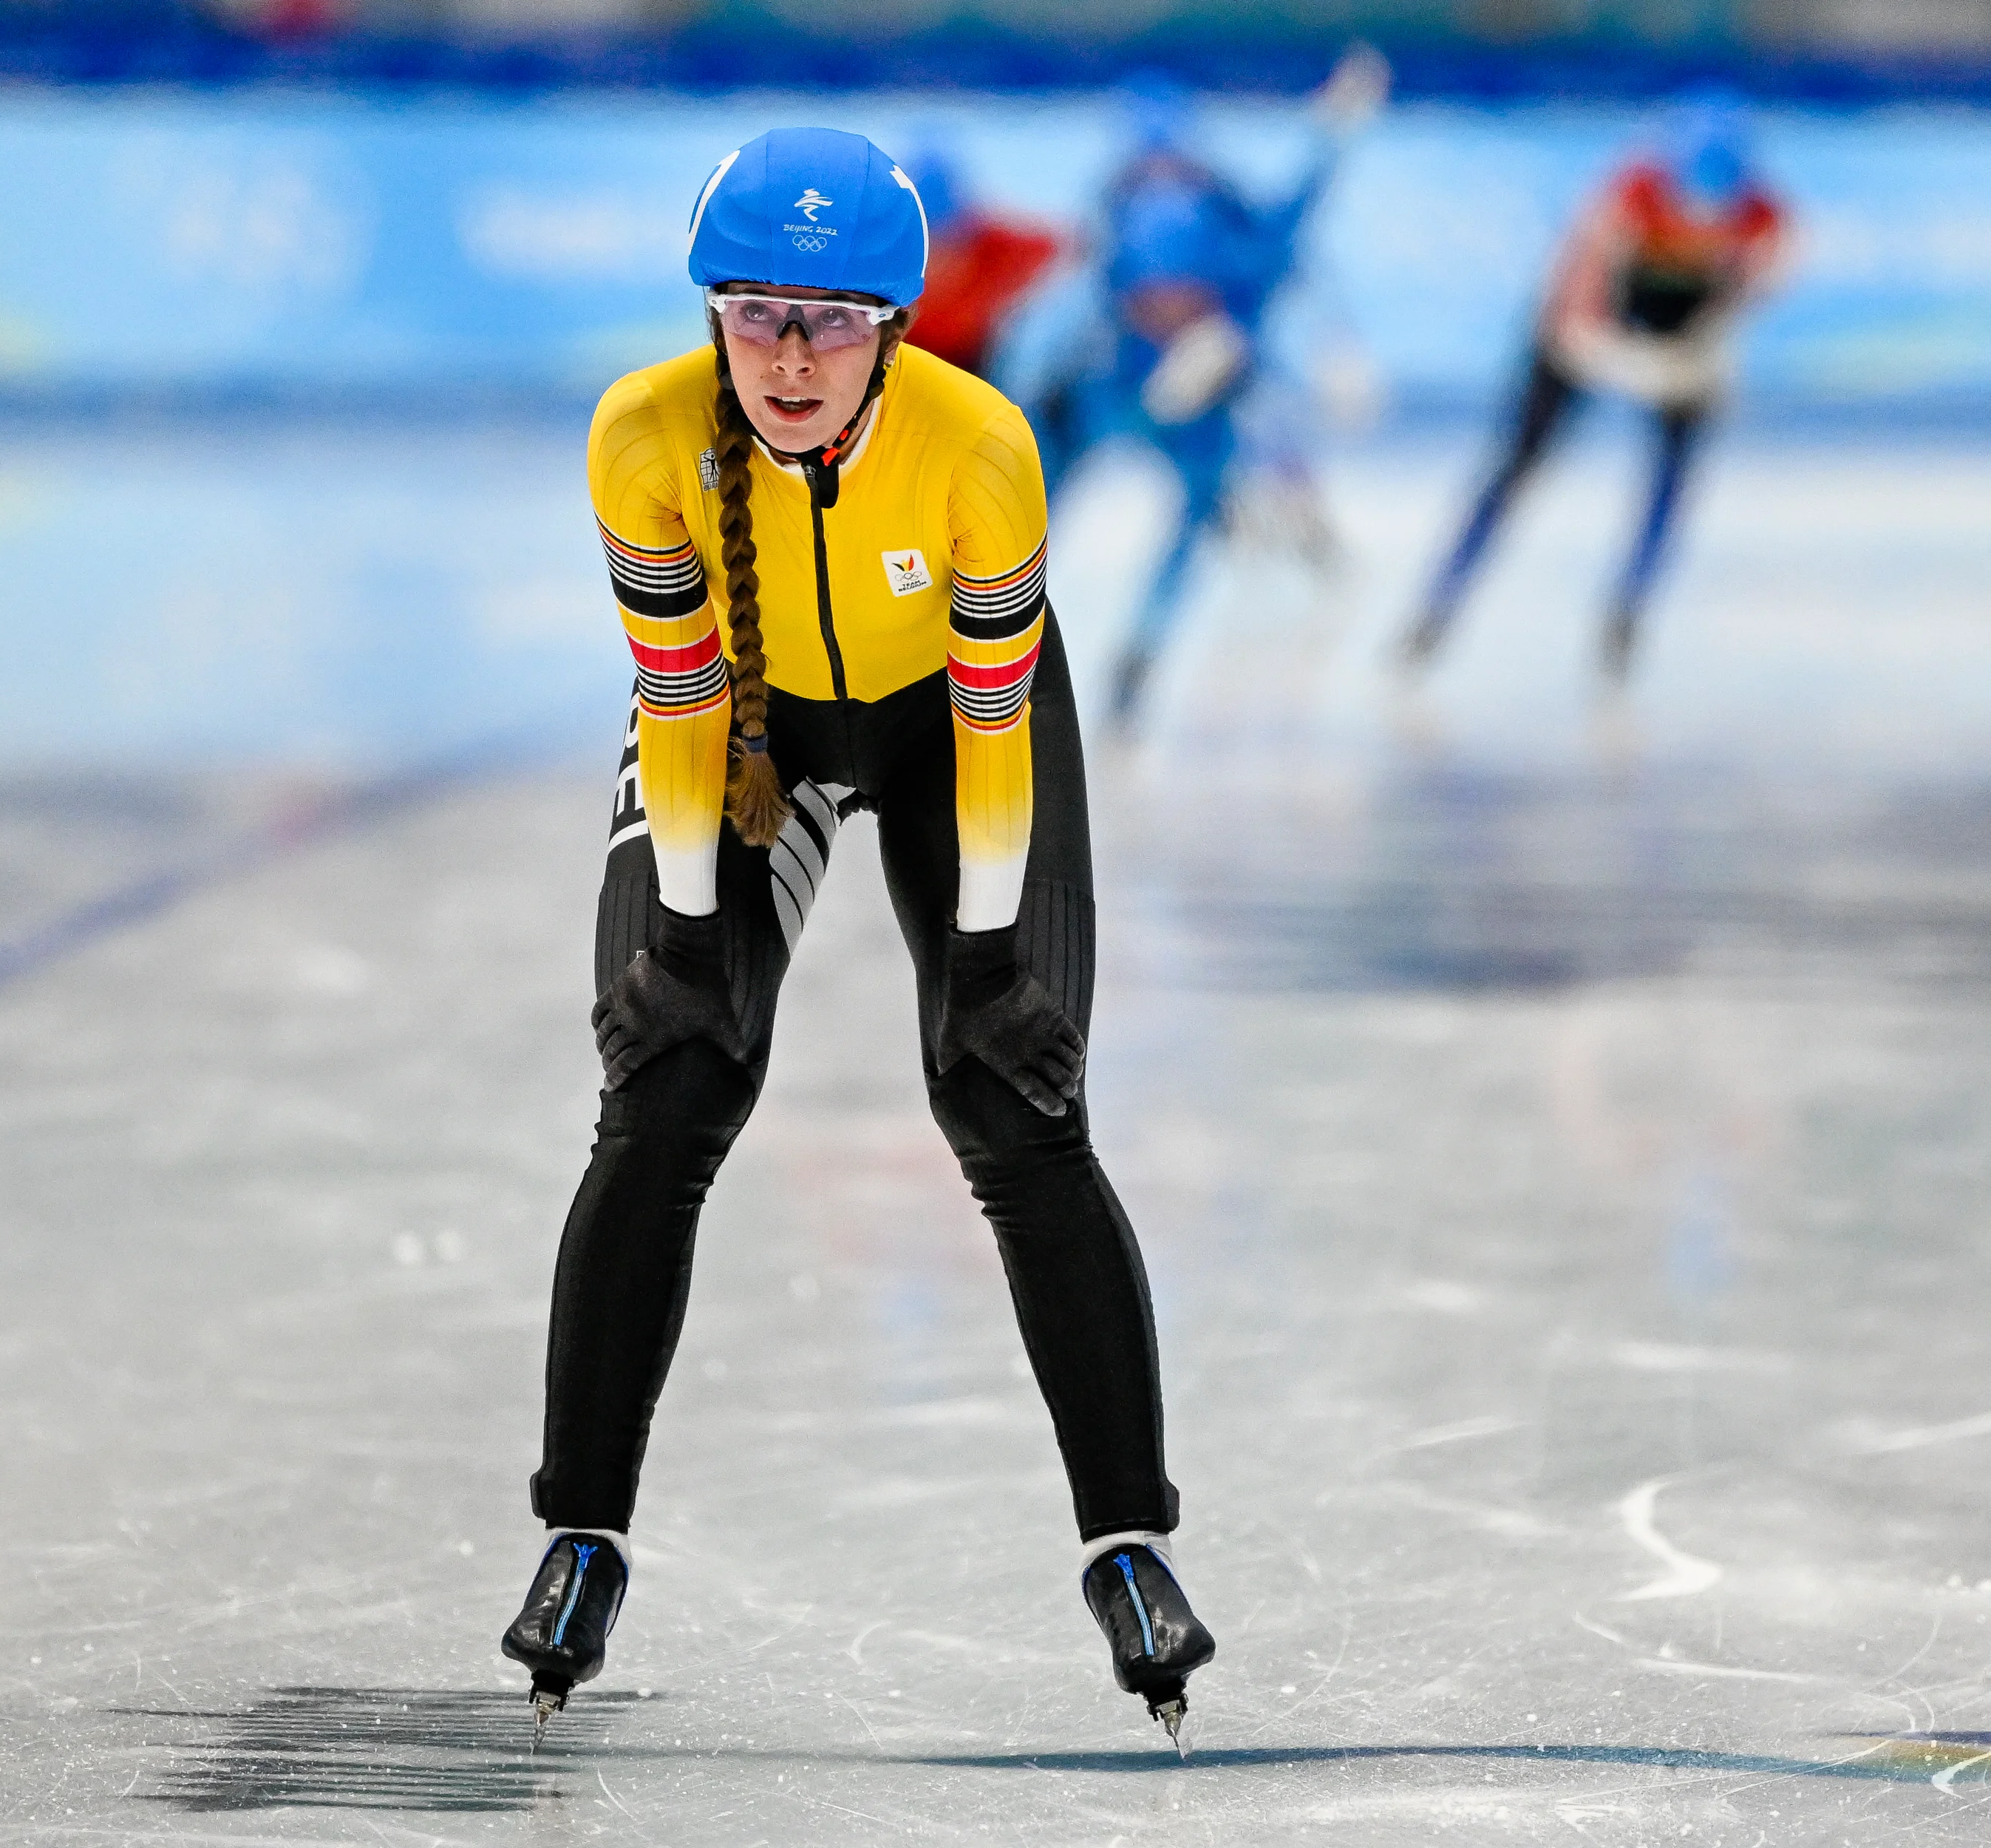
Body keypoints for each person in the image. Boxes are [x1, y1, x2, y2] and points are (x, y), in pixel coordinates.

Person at [499, 126, 1213, 1750]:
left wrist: (984, 959)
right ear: (712, 318)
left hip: (963, 740)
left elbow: (987, 711)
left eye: (831, 321)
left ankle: (1131, 1548)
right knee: (668, 1086)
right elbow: (681, 690)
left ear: (896, 324)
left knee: (1012, 1099)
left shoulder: (980, 447)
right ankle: (580, 1533)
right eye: (758, 315)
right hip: (748, 731)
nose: (794, 356)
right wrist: (684, 929)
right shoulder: (645, 436)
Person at [1034, 51, 1387, 724]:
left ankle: (1120, 653)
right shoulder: (1190, 208)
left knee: (1048, 510)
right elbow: (1292, 231)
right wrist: (1337, 132)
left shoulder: (1137, 205)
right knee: (1175, 511)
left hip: (1145, 396)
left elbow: (1289, 238)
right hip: (1154, 398)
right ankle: (1136, 655)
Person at [1402, 91, 1789, 682]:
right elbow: (1572, 328)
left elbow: (1750, 293)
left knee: (1674, 476)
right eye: (1689, 199)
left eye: (1717, 203)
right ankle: (1438, 606)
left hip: (1674, 328)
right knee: (1517, 465)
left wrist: (1710, 354)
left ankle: (1628, 614)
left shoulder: (1763, 216)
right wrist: (1641, 364)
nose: (1699, 221)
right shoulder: (1620, 203)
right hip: (1589, 328)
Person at [896, 145, 1064, 380]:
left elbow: (1067, 249)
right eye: (929, 244)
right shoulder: (882, 274)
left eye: (953, 241)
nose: (941, 258)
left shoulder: (997, 251)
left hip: (978, 363)